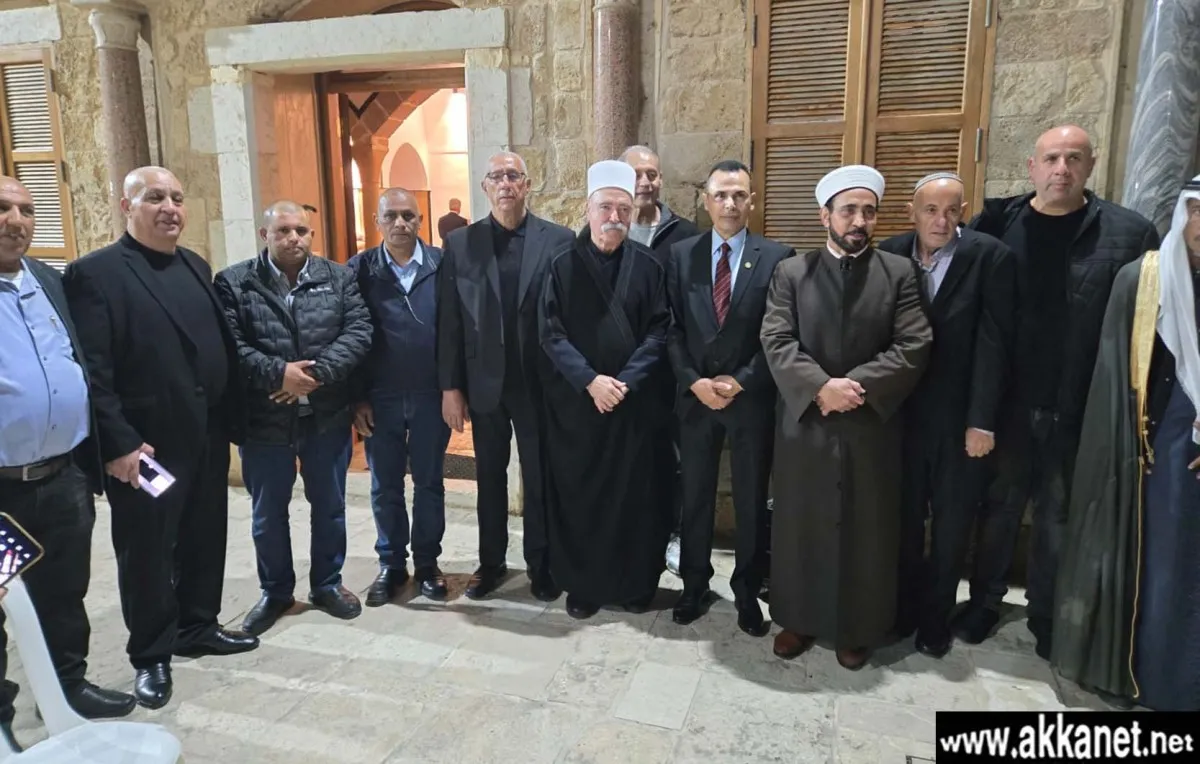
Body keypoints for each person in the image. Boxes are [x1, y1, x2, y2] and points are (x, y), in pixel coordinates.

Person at [62, 166, 258, 710]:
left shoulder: (194, 264)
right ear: (127, 207)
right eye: (154, 198)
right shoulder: (96, 274)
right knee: (148, 549)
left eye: (176, 197)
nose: (169, 207)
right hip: (146, 450)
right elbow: (93, 371)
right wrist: (119, 443)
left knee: (204, 534)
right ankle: (151, 653)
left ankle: (198, 626)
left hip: (205, 435)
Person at [962, 125, 1160, 657]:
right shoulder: (996, 224)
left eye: (1074, 158)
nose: (1062, 169)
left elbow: (1148, 326)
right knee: (998, 509)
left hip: (1080, 405)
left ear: (1090, 166)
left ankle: (1046, 615)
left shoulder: (1128, 233)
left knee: (1059, 515)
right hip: (1007, 404)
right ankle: (983, 603)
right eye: (1051, 158)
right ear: (1032, 166)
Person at [760, 165, 931, 669]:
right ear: (825, 216)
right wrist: (820, 387)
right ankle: (798, 618)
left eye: (868, 212)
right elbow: (776, 338)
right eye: (849, 210)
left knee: (866, 528)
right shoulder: (792, 273)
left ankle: (858, 627)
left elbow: (914, 343)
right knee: (801, 523)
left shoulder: (899, 273)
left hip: (870, 424)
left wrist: (855, 388)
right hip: (806, 423)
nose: (859, 221)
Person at [1053, 176, 1200, 712]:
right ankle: (1153, 679)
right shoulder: (1144, 279)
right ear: (1184, 215)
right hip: (1159, 447)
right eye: (1198, 213)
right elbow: (1116, 375)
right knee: (1160, 566)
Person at [0, 176, 136, 751]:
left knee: (63, 590)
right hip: (3, 491)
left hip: (61, 477)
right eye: (2, 208)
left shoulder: (50, 281)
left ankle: (67, 686)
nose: (16, 220)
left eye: (26, 209)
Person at [214, 201, 372, 636]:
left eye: (301, 230)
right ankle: (276, 592)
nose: (293, 238)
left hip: (326, 416)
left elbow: (359, 331)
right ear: (264, 235)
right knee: (268, 513)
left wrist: (313, 376)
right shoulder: (234, 282)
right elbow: (230, 344)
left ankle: (327, 584)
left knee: (330, 506)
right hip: (265, 419)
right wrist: (278, 374)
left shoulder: (338, 277)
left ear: (311, 235)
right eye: (283, 230)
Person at [878, 172, 1016, 657]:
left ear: (963, 212)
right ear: (912, 213)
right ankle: (904, 609)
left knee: (953, 525)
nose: (941, 221)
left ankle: (936, 618)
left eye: (952, 210)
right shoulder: (890, 254)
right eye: (931, 210)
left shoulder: (990, 256)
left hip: (960, 422)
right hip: (901, 418)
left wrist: (982, 421)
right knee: (903, 521)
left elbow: (996, 344)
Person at [437, 152, 575, 601]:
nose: (505, 184)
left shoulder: (559, 240)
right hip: (484, 384)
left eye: (513, 175)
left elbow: (569, 316)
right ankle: (491, 563)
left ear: (527, 184)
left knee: (539, 478)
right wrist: (450, 387)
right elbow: (450, 321)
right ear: (485, 186)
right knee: (490, 478)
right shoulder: (461, 244)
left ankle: (541, 564)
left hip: (539, 384)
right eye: (496, 176)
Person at [539, 160, 672, 619]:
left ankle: (635, 584)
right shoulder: (560, 265)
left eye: (623, 209)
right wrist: (590, 381)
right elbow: (550, 333)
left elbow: (660, 331)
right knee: (582, 497)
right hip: (579, 408)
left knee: (635, 499)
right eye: (605, 208)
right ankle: (584, 587)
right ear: (588, 209)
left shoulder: (649, 266)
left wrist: (625, 383)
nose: (614, 217)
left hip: (633, 406)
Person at [666, 159, 792, 635]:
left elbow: (779, 333)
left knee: (751, 500)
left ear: (751, 201)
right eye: (720, 194)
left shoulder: (777, 257)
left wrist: (742, 380)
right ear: (707, 201)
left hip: (750, 401)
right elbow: (671, 328)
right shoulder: (682, 255)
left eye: (739, 194)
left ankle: (746, 592)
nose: (730, 203)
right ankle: (694, 586)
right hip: (696, 400)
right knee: (695, 496)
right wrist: (693, 381)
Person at [349, 188, 451, 605]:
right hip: (381, 397)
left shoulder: (443, 265)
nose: (400, 223)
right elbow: (350, 335)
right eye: (390, 216)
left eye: (408, 215)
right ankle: (391, 565)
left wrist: (453, 389)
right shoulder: (359, 269)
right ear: (376, 221)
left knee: (429, 482)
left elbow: (456, 331)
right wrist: (357, 397)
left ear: (421, 221)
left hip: (430, 395)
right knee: (384, 484)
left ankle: (427, 564)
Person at [619, 145, 702, 577]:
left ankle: (675, 535)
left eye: (652, 174)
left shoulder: (686, 234)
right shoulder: (607, 229)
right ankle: (633, 533)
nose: (645, 182)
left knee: (677, 459)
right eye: (637, 174)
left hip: (671, 369)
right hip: (622, 371)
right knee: (628, 456)